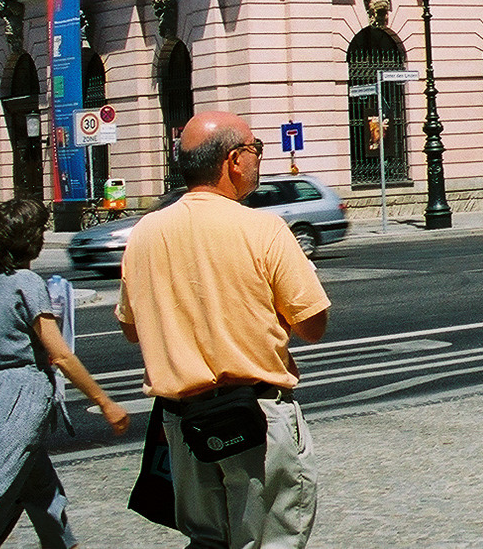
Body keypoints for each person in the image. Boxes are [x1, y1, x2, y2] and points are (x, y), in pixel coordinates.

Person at [117, 111, 331, 549]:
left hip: (184, 423)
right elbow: (313, 326)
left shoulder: (145, 233)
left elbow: (132, 331)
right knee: (271, 539)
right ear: (234, 160)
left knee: (207, 541)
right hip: (256, 417)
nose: (258, 159)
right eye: (256, 149)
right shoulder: (263, 229)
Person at [0, 198, 129, 549]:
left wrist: (2, 333)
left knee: (39, 487)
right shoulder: (28, 283)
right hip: (20, 398)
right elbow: (61, 355)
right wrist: (105, 402)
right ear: (29, 240)